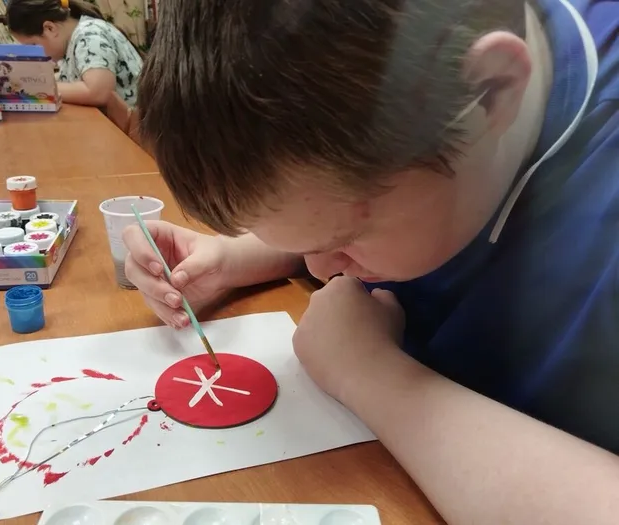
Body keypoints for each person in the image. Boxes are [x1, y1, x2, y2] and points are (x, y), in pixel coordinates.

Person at [124, 0, 619, 522]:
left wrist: (370, 374)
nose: (322, 271)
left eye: (347, 237)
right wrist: (238, 254)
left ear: (491, 91)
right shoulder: (427, 109)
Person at [6, 0, 143, 107]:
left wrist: (38, 87)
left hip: (127, 131)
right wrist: (34, 80)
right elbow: (72, 77)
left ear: (50, 28)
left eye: (33, 45)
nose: (37, 54)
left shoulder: (90, 35)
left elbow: (99, 92)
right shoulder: (74, 39)